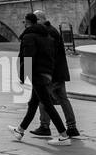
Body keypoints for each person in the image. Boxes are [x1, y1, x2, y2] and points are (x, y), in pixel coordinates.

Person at [11, 12, 70, 145]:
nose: (23, 24)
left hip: (37, 75)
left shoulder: (29, 37)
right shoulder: (47, 35)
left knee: (48, 105)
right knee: (33, 103)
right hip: (47, 73)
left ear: (27, 22)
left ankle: (64, 136)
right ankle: (19, 130)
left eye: (24, 22)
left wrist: (22, 76)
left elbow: (28, 57)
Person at [33, 12, 80, 139]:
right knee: (63, 99)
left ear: (43, 19)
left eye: (37, 19)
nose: (35, 22)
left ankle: (44, 126)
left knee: (44, 99)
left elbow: (49, 54)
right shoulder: (51, 30)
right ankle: (72, 127)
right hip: (59, 72)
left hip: (52, 73)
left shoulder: (47, 32)